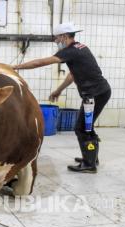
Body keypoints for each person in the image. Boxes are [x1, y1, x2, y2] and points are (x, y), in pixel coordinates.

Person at [12, 22, 111, 173]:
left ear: (64, 36)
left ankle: (89, 164)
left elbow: (41, 62)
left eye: (57, 38)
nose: (56, 41)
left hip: (95, 95)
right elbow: (73, 74)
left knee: (82, 128)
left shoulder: (70, 51)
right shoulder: (81, 47)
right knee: (87, 125)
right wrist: (59, 90)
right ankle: (91, 157)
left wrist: (15, 67)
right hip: (99, 92)